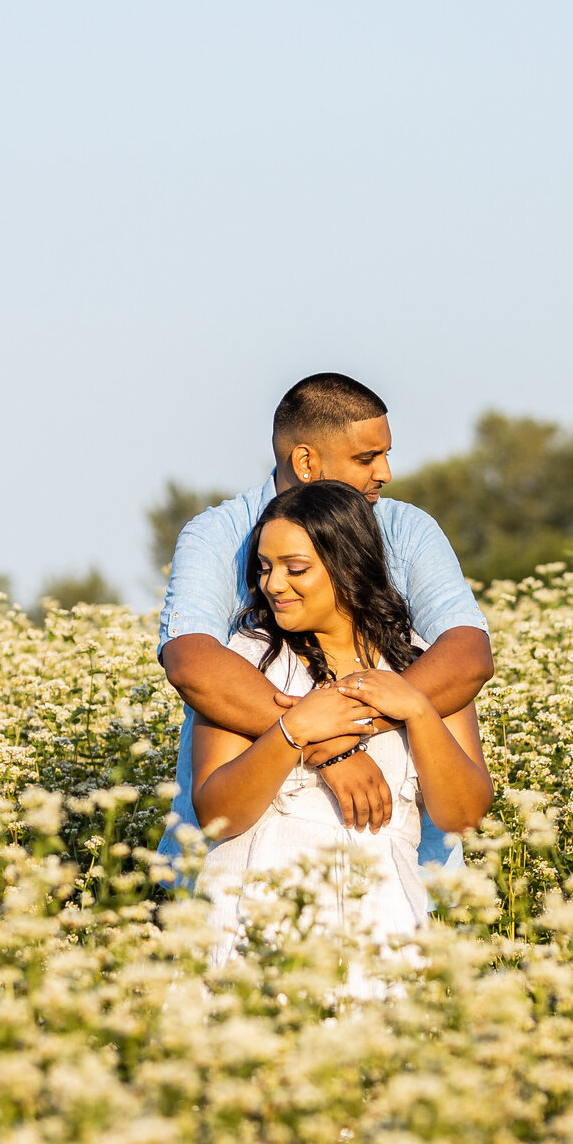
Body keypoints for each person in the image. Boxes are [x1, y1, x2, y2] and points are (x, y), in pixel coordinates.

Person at [158, 371, 492, 870]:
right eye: (366, 458)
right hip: (247, 880)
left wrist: (344, 725)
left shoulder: (409, 528)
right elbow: (194, 664)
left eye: (385, 454)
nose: (385, 473)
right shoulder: (218, 534)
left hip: (407, 882)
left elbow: (465, 655)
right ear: (306, 462)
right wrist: (326, 745)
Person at [192, 482, 493, 962]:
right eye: (265, 568)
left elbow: (464, 816)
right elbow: (216, 815)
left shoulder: (422, 665)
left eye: (296, 569)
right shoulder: (247, 660)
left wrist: (415, 708)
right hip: (259, 914)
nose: (273, 585)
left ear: (349, 565)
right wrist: (294, 732)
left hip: (385, 921)